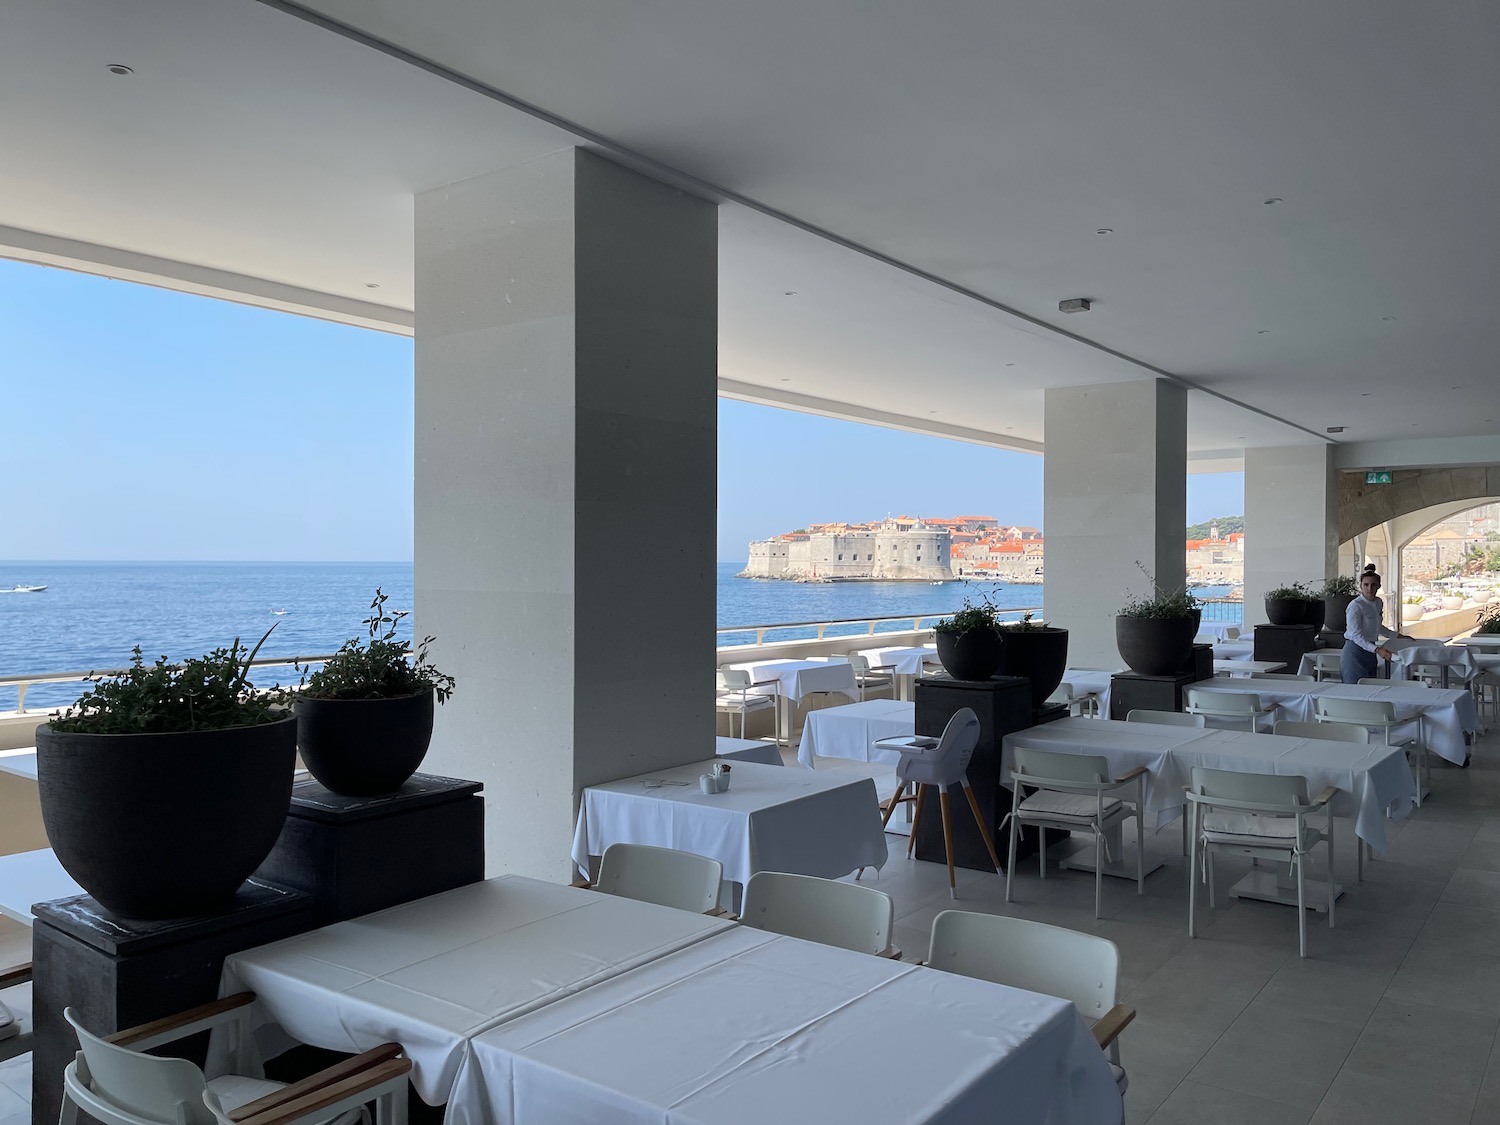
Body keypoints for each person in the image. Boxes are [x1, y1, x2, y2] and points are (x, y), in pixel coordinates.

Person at [1342, 564, 1400, 683]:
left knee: (1371, 687)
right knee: (1355, 689)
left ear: (1379, 586)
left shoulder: (1378, 602)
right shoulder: (1355, 606)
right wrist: (1378, 650)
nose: (1370, 588)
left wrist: (1398, 636)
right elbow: (1355, 635)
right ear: (1361, 586)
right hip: (1355, 651)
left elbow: (1378, 627)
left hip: (1370, 650)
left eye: (1373, 585)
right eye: (1366, 585)